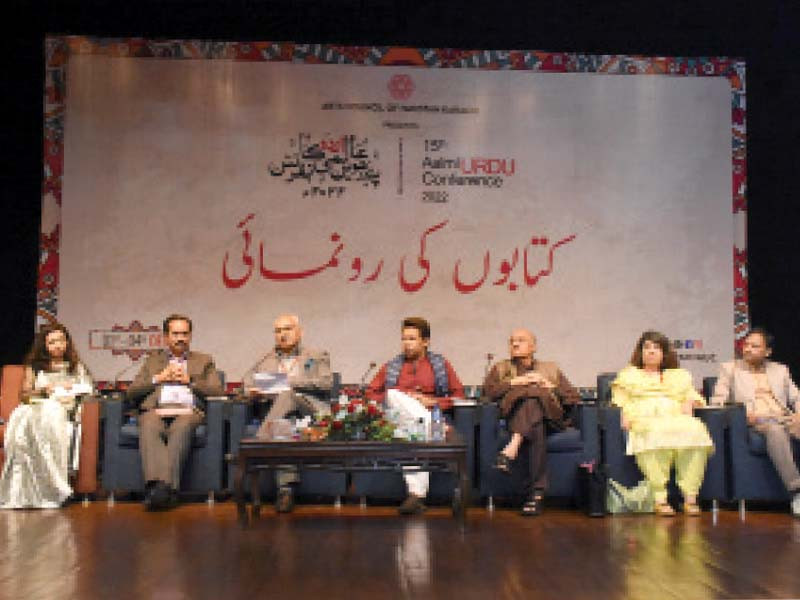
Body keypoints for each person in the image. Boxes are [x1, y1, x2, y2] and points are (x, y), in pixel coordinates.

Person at [366, 317, 464, 514]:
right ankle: (434, 426)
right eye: (404, 339)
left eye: (412, 339)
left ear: (425, 341)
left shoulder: (440, 364)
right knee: (393, 394)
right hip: (399, 418)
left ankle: (416, 496)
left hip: (426, 415)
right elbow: (371, 394)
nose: (406, 344)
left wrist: (433, 402)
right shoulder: (392, 366)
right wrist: (404, 400)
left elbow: (459, 395)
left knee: (410, 432)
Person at [611, 330, 713, 516]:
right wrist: (623, 414)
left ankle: (690, 498)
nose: (650, 351)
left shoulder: (679, 376)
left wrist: (690, 401)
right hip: (645, 418)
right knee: (654, 432)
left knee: (696, 429)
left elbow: (693, 396)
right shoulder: (628, 375)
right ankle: (660, 498)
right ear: (640, 352)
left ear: (664, 353)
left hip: (675, 417)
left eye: (656, 348)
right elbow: (620, 400)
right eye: (646, 347)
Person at [127, 314, 223, 510]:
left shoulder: (204, 360)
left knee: (182, 427)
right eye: (175, 334)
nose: (180, 338)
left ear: (190, 336)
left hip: (188, 411)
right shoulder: (152, 361)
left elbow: (217, 391)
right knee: (148, 424)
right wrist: (158, 378)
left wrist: (190, 381)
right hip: (157, 409)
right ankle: (166, 489)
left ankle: (159, 489)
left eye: (185, 334)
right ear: (166, 337)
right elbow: (132, 393)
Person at [482, 328, 580, 516]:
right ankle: (536, 494)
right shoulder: (501, 368)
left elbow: (572, 398)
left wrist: (548, 385)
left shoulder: (550, 368)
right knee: (534, 409)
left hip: (551, 418)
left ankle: (513, 446)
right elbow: (487, 394)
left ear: (533, 346)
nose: (515, 344)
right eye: (512, 341)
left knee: (536, 395)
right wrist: (514, 382)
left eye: (521, 340)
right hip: (519, 419)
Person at [243, 313, 333, 512]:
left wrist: (287, 382)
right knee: (283, 424)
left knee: (287, 395)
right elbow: (246, 384)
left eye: (288, 329)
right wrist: (254, 392)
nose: (282, 334)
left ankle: (260, 440)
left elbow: (326, 383)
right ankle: (285, 491)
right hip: (281, 412)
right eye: (278, 331)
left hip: (310, 409)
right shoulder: (265, 359)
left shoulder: (316, 355)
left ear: (300, 332)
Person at [0, 323, 93, 508]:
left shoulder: (76, 367)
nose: (58, 345)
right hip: (39, 408)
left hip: (64, 409)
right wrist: (44, 390)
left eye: (61, 340)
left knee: (52, 411)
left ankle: (53, 490)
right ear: (44, 345)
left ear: (67, 342)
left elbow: (89, 390)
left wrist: (73, 391)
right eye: (52, 342)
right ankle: (24, 492)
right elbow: (25, 395)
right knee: (27, 413)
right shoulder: (34, 367)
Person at [710, 327, 800, 516]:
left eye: (755, 346)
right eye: (746, 345)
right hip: (757, 420)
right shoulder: (730, 369)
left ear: (767, 352)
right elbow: (717, 401)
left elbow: (796, 397)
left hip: (784, 418)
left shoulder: (780, 370)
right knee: (775, 431)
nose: (748, 349)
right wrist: (742, 414)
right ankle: (796, 491)